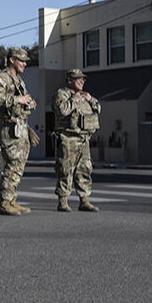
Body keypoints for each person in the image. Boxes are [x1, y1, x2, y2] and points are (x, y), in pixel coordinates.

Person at [0, 47, 37, 215]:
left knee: (19, 165)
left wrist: (29, 103)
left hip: (20, 127)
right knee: (13, 163)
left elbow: (22, 101)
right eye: (21, 60)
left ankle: (11, 199)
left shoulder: (18, 81)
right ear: (12, 60)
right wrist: (19, 99)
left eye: (25, 61)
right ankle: (3, 202)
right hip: (9, 128)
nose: (24, 64)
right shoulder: (3, 78)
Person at [52, 68, 100, 212]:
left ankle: (84, 200)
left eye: (83, 79)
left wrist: (90, 99)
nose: (81, 81)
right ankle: (63, 201)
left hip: (83, 139)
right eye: (78, 78)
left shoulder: (85, 95)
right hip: (68, 138)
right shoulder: (61, 94)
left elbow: (98, 108)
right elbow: (62, 110)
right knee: (65, 170)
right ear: (69, 80)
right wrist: (75, 98)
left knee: (84, 170)